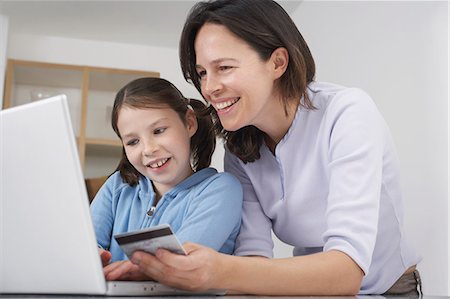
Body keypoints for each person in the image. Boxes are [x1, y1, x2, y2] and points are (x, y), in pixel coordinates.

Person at [126, 0, 422, 295]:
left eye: (224, 67)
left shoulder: (347, 114)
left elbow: (347, 272)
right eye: (203, 73)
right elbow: (253, 259)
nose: (209, 88)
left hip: (388, 290)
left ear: (278, 62)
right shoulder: (240, 150)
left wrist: (219, 270)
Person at [90, 77, 243, 281]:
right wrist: (91, 256)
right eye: (133, 141)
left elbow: (180, 263)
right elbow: (87, 244)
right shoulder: (117, 186)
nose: (149, 149)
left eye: (159, 131)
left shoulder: (222, 190)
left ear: (189, 123)